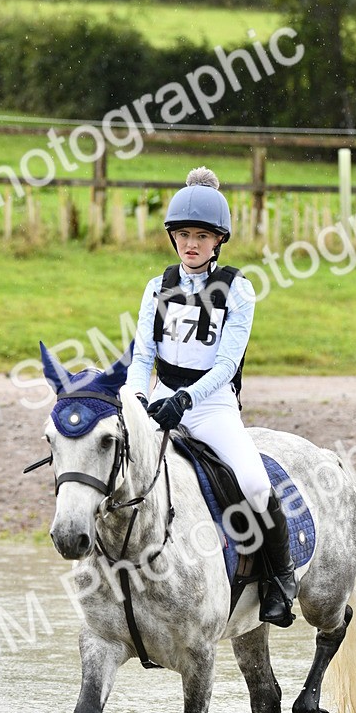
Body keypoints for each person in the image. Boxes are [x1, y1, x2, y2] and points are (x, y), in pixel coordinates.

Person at [126, 166, 298, 627]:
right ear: (173, 238)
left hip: (212, 404)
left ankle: (280, 579)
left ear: (219, 239)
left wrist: (184, 399)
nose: (192, 244)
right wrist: (140, 399)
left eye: (202, 235)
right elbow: (143, 355)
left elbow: (225, 366)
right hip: (161, 399)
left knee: (256, 484)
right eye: (183, 234)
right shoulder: (157, 287)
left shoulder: (237, 289)